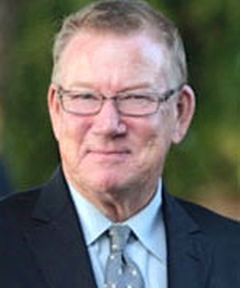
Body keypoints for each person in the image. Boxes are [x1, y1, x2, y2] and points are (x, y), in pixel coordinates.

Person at [0, 0, 239, 287]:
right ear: (56, 110)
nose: (108, 125)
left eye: (136, 97)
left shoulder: (232, 255)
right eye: (86, 97)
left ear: (180, 112)